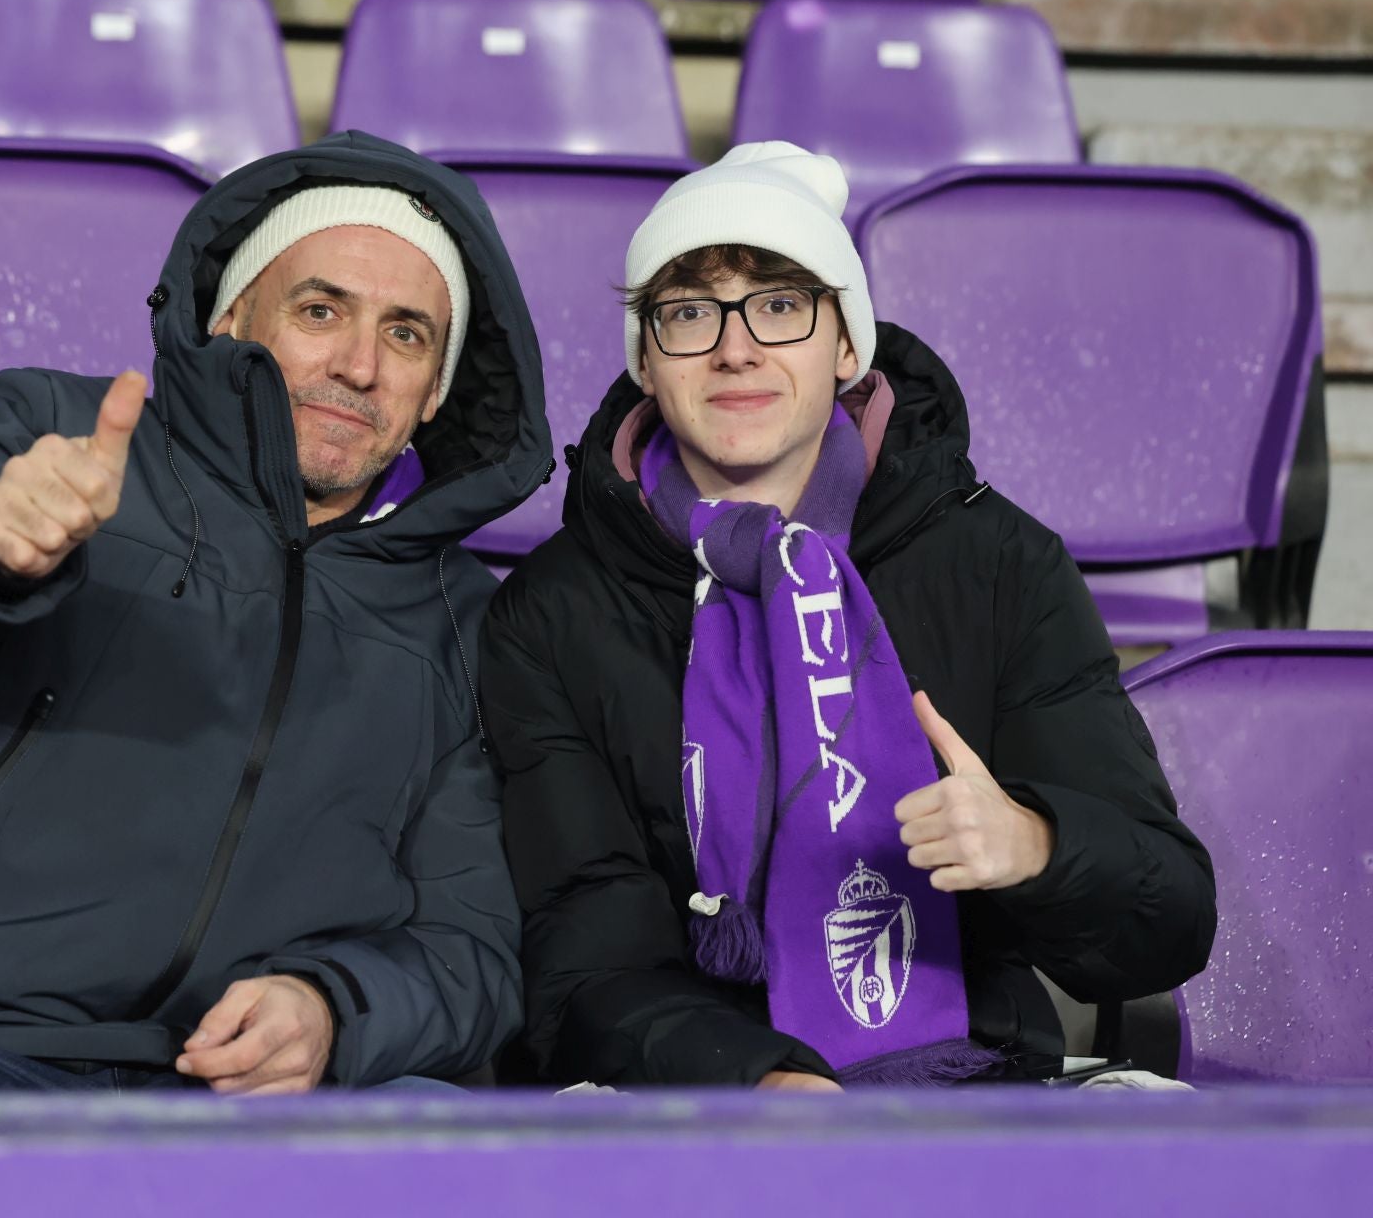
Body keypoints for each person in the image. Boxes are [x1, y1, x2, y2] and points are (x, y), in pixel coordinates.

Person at [0, 132, 553, 1095]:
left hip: (260, 1099)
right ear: (231, 318)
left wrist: (335, 1009)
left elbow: (470, 951)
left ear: (434, 393)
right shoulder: (58, 434)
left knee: (453, 1146)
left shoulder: (465, 618)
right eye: (320, 310)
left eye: (406, 335)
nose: (359, 366)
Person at [479, 142, 1216, 1090]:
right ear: (648, 363)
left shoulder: (995, 563)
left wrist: (1037, 846)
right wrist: (763, 1080)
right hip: (694, 1096)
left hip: (971, 1080)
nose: (735, 347)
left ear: (847, 346)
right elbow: (584, 956)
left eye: (781, 305)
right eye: (690, 312)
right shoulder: (553, 610)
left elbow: (1171, 924)